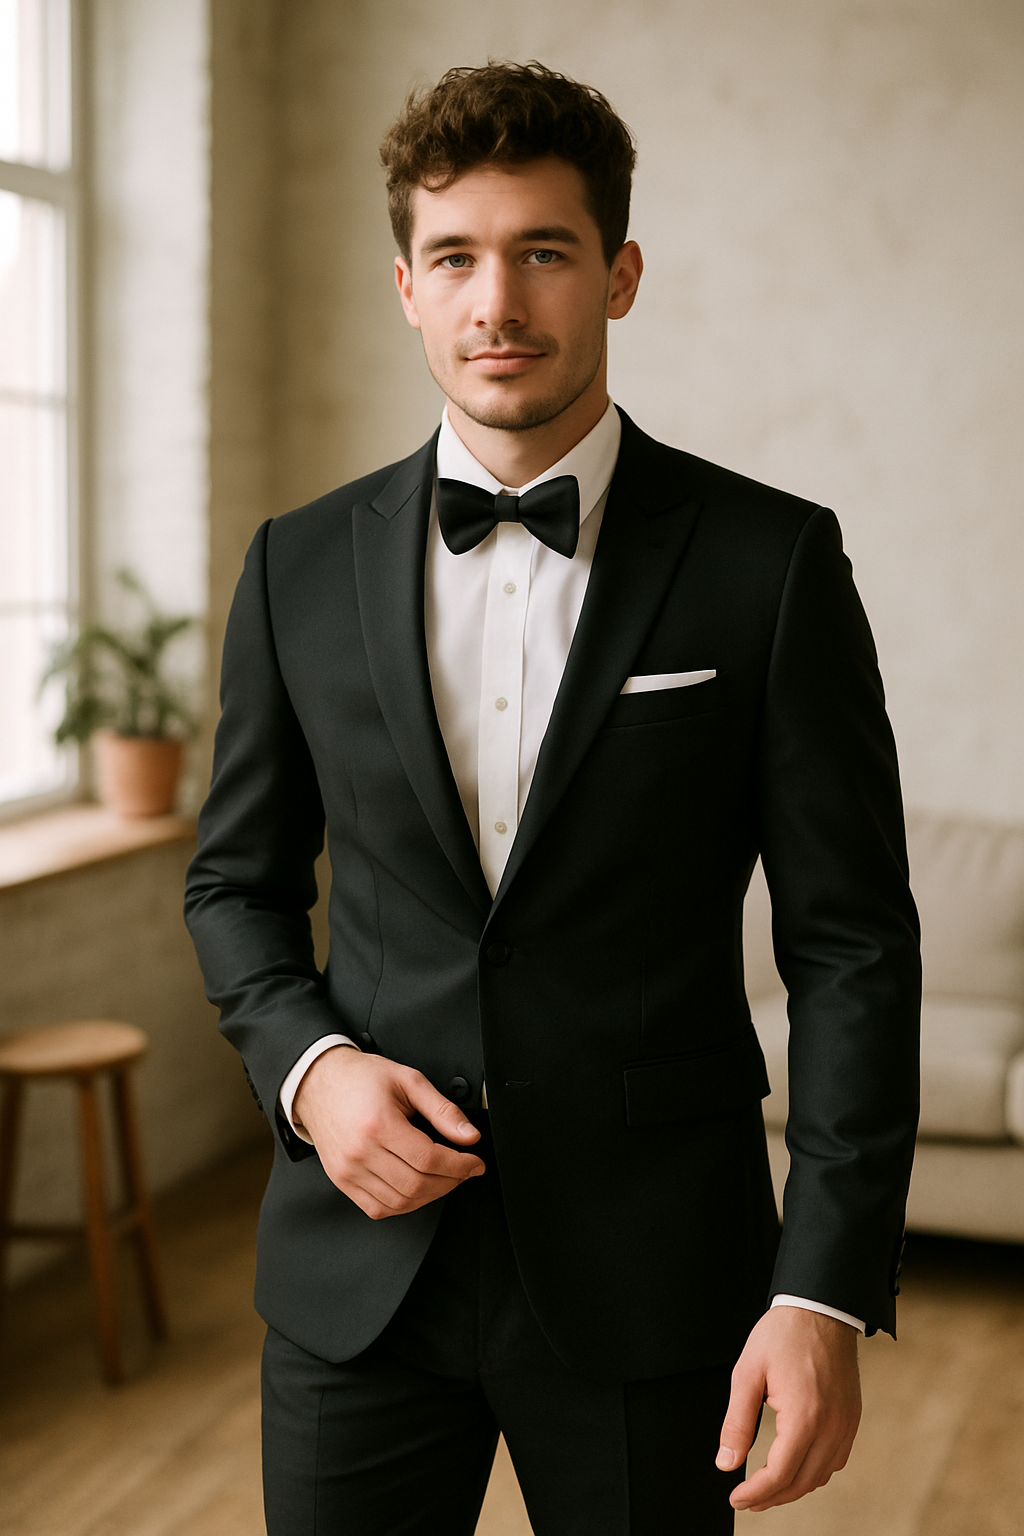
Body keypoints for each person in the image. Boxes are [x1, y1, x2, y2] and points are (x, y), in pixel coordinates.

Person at [185, 61, 920, 1536]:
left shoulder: (769, 563)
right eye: (456, 258)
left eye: (543, 252)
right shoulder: (295, 565)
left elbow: (851, 945)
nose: (497, 304)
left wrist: (823, 1289)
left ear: (619, 275)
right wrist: (312, 1071)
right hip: (357, 1276)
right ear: (407, 286)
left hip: (657, 1276)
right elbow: (235, 887)